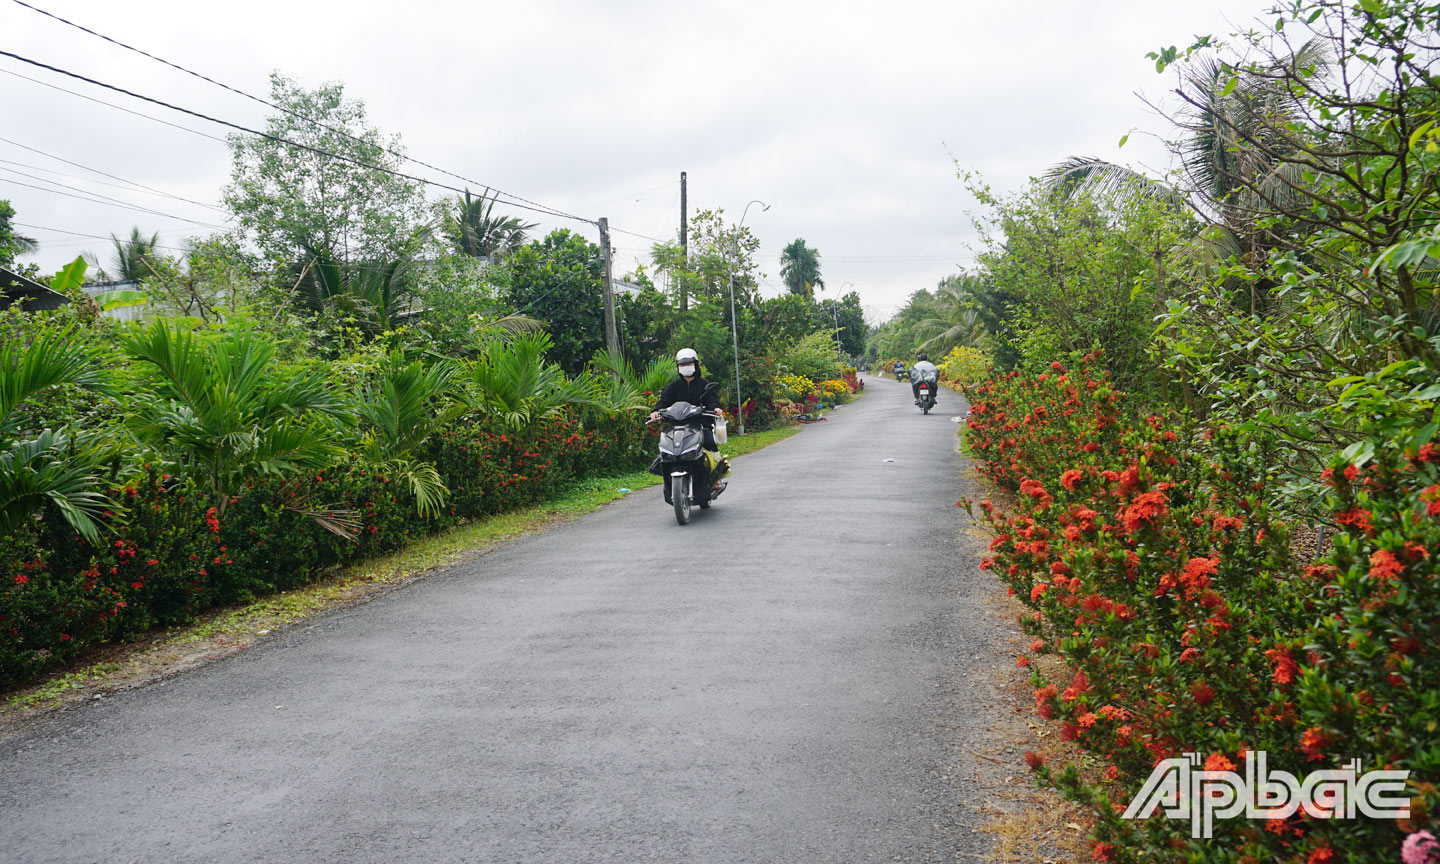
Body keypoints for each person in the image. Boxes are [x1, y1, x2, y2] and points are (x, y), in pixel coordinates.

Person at [649, 348, 728, 500]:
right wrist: (656, 411)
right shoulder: (673, 386)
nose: (686, 366)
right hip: (676, 426)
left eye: (689, 363)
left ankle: (716, 479)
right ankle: (668, 479)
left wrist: (715, 408)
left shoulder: (704, 385)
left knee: (710, 443)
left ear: (695, 364)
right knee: (665, 449)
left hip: (700, 425)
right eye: (682, 364)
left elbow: (712, 400)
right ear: (678, 367)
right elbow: (663, 402)